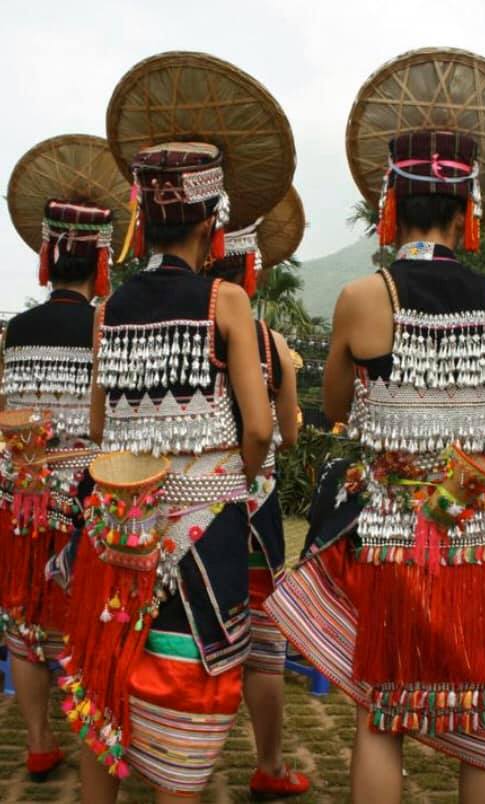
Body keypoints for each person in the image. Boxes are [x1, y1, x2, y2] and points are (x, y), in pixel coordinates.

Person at [265, 130, 485, 804]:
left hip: (398, 542)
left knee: (382, 711)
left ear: (390, 203)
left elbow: (335, 406)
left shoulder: (364, 296)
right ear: (466, 208)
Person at [60, 142, 274, 804]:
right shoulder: (225, 301)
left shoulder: (108, 310)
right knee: (187, 689)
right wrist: (228, 479)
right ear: (211, 224)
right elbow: (259, 428)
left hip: (119, 528)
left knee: (105, 674)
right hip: (202, 536)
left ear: (143, 223)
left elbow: (100, 425)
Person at [0, 134, 121, 782]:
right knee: (78, 619)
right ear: (101, 260)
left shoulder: (17, 330)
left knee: (23, 622)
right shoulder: (105, 330)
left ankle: (39, 740)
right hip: (82, 501)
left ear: (49, 257)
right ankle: (87, 737)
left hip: (20, 500)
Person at [210, 227, 310, 798]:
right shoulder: (269, 342)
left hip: (181, 509)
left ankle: (168, 759)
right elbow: (287, 434)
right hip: (254, 509)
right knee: (263, 644)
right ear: (251, 270)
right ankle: (270, 765)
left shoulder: (175, 326)